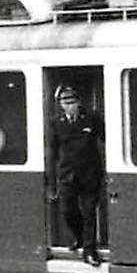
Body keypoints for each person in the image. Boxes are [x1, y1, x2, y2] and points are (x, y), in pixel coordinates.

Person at [49, 83, 103, 260]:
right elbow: (53, 149)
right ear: (60, 105)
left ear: (78, 102)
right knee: (67, 211)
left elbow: (105, 137)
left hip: (89, 173)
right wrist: (53, 177)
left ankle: (89, 250)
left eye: (72, 101)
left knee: (89, 212)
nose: (69, 106)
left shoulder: (92, 118)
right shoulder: (56, 123)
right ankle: (79, 237)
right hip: (67, 174)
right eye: (65, 102)